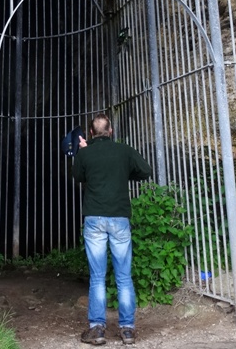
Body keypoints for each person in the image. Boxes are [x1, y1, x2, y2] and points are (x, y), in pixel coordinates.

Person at [72, 113, 152, 345]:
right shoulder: (124, 151)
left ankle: (97, 329)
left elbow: (77, 176)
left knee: (97, 277)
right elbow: (145, 171)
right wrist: (125, 172)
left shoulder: (85, 153)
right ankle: (127, 330)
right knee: (124, 276)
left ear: (90, 133)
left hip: (94, 218)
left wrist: (84, 152)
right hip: (119, 219)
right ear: (111, 131)